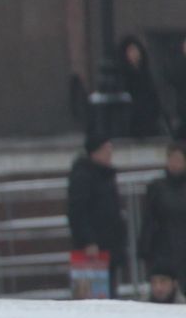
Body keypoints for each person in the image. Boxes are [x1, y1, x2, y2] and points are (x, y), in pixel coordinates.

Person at [67, 131, 127, 296]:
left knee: (107, 292)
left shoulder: (104, 175)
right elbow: (77, 211)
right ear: (95, 152)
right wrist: (88, 241)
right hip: (94, 247)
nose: (110, 154)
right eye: (106, 150)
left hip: (108, 243)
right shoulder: (83, 176)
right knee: (93, 296)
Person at [139, 138, 186, 294]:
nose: (175, 163)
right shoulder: (157, 188)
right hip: (164, 249)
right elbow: (149, 219)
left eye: (179, 159)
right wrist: (145, 248)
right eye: (171, 159)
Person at [118, 37, 167, 140]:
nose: (135, 54)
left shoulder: (146, 74)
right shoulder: (122, 75)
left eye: (136, 50)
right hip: (132, 122)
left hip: (149, 120)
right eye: (131, 51)